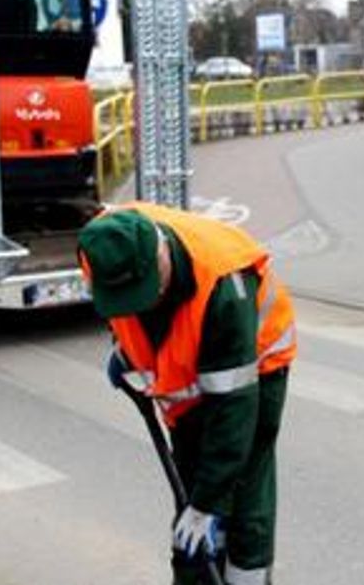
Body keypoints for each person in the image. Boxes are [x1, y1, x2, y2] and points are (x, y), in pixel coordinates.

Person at [77, 202, 296, 585]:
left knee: (241, 484)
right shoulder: (103, 246)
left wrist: (208, 506)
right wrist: (125, 351)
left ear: (161, 259)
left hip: (255, 369)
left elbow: (233, 413)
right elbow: (125, 312)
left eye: (144, 293)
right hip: (189, 377)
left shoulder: (225, 284)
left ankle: (247, 576)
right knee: (192, 486)